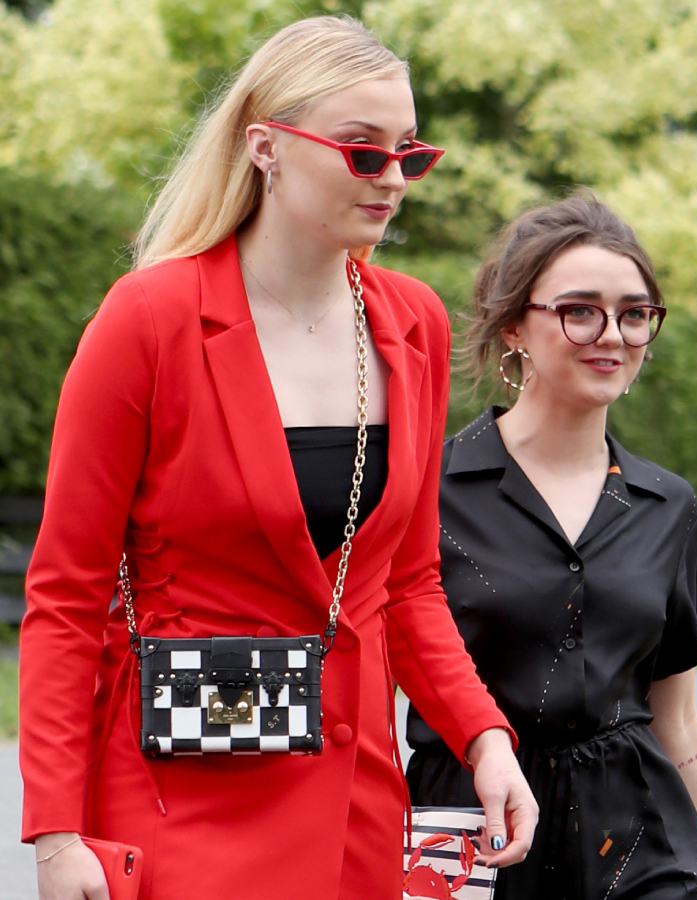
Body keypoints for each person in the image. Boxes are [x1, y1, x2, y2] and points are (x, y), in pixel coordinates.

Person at [19, 16, 537, 900]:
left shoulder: (412, 322)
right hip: (179, 799)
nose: (392, 179)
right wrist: (58, 835)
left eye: (408, 153)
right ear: (265, 147)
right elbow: (66, 595)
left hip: (355, 807)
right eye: (360, 150)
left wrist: (484, 739)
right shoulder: (148, 320)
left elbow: (407, 585)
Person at [406, 194, 697, 900]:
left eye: (635, 313)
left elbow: (676, 716)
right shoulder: (428, 490)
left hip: (640, 840)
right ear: (517, 324)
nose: (611, 334)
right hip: (472, 832)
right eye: (579, 310)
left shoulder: (670, 509)